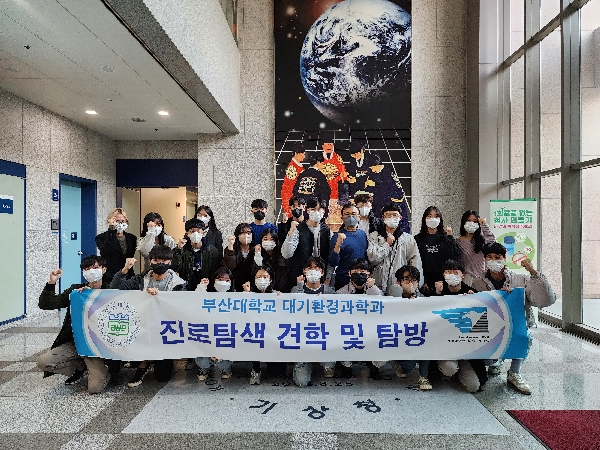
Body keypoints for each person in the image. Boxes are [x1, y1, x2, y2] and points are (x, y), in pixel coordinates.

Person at [470, 242, 556, 395]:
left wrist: (533, 272)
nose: (493, 261)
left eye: (497, 257)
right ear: (485, 260)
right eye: (489, 257)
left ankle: (514, 372)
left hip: (515, 326)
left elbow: (544, 300)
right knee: (487, 360)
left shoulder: (521, 279)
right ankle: (496, 361)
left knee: (524, 339)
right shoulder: (478, 282)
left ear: (505, 258)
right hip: (490, 328)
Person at [37, 256, 117, 394]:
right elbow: (47, 304)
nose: (91, 271)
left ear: (104, 269)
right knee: (44, 362)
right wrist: (52, 282)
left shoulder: (111, 290)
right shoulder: (76, 291)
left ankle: (104, 370)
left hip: (99, 346)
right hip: (77, 342)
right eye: (87, 269)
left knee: (94, 388)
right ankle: (80, 367)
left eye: (95, 268)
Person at [110, 245, 186, 387]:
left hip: (165, 328)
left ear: (170, 262)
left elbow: (180, 309)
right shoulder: (140, 280)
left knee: (162, 376)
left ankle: (154, 359)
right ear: (150, 261)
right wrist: (125, 270)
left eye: (164, 260)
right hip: (142, 324)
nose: (160, 264)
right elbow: (114, 289)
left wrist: (160, 297)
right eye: (156, 260)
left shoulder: (179, 284)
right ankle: (142, 364)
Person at [433, 260, 489, 393]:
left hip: (467, 350)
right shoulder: (437, 292)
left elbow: (484, 317)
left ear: (463, 275)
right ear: (443, 275)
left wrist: (474, 302)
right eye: (448, 272)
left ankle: (462, 369)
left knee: (474, 386)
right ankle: (450, 372)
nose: (452, 274)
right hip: (446, 347)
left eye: (455, 272)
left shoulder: (472, 293)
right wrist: (437, 295)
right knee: (449, 369)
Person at [291, 257, 336, 387]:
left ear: (322, 272)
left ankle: (327, 364)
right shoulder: (295, 290)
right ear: (304, 271)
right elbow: (292, 314)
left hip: (323, 338)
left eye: (316, 268)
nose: (313, 271)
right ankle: (304, 363)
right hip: (302, 340)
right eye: (309, 268)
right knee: (301, 382)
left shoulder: (330, 292)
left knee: (329, 363)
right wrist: (300, 288)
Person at [335, 258, 384, 380]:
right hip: (350, 330)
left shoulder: (376, 290)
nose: (359, 274)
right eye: (355, 271)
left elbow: (382, 308)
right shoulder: (340, 293)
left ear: (369, 274)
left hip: (371, 330)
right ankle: (346, 366)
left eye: (363, 271)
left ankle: (375, 365)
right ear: (349, 273)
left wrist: (372, 289)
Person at [389, 265, 432, 390]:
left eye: (414, 280)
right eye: (406, 279)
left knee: (428, 342)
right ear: (399, 282)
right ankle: (400, 365)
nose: (410, 283)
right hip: (401, 339)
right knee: (409, 366)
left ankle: (423, 376)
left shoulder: (424, 299)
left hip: (419, 337)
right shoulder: (391, 299)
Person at [367, 203, 422, 294]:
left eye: (395, 215)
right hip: (377, 285)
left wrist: (415, 285)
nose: (392, 217)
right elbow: (372, 258)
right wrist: (387, 245)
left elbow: (415, 262)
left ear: (400, 217)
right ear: (383, 218)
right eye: (388, 215)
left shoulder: (408, 239)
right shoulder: (374, 236)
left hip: (400, 285)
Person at [281, 197, 331, 291]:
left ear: (324, 211)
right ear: (307, 210)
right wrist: (291, 232)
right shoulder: (298, 229)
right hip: (299, 278)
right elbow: (286, 254)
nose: (316, 212)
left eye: (319, 209)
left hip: (320, 281)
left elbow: (330, 257)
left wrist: (328, 278)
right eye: (313, 209)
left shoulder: (327, 231)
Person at [414, 206, 461, 294]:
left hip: (443, 279)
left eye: (436, 216)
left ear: (440, 219)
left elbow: (455, 256)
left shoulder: (445, 238)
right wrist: (422, 281)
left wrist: (450, 237)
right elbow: (416, 261)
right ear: (425, 219)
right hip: (424, 280)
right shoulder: (418, 239)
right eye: (429, 216)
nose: (433, 219)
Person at [243, 266, 277, 385]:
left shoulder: (276, 294)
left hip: (272, 332)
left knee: (276, 371)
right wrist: (246, 295)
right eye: (259, 277)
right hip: (255, 331)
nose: (262, 279)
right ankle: (256, 369)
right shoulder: (249, 294)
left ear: (270, 279)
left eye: (265, 277)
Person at [171, 218, 221, 291]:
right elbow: (175, 268)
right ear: (187, 234)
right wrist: (178, 250)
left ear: (203, 233)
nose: (195, 233)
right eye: (192, 231)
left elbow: (215, 272)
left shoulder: (212, 251)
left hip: (206, 288)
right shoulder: (182, 249)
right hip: (187, 288)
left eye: (198, 231)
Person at [329, 203, 368, 291]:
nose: (350, 217)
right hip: (343, 280)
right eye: (347, 214)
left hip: (361, 281)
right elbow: (333, 262)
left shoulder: (363, 234)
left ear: (358, 216)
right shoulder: (336, 236)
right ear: (342, 217)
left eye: (353, 214)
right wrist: (338, 244)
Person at [95, 208, 137, 285]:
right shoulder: (101, 237)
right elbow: (105, 251)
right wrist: (111, 229)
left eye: (123, 221)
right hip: (110, 276)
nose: (120, 224)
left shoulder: (132, 238)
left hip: (128, 276)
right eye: (117, 221)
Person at [456, 210, 496, 287]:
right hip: (468, 277)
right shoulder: (458, 242)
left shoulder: (482, 240)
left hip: (483, 277)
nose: (472, 223)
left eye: (475, 221)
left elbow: (491, 240)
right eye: (469, 220)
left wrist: (484, 225)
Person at [223, 223, 255, 292]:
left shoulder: (255, 249)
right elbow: (230, 267)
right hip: (234, 284)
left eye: (248, 233)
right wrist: (230, 246)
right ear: (237, 235)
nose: (246, 235)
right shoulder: (230, 249)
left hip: (251, 285)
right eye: (242, 233)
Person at [280, 142, 306, 216]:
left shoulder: (298, 166)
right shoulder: (292, 168)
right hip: (292, 201)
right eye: (302, 154)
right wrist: (287, 206)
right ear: (296, 154)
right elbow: (287, 188)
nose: (304, 156)